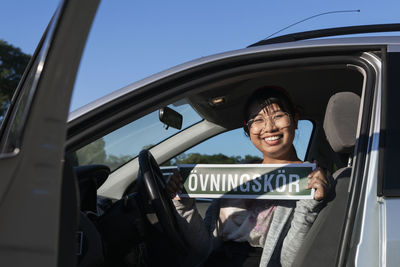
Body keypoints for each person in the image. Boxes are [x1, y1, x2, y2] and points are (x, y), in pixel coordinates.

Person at [166, 86, 330, 267]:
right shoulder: (235, 178)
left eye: (278, 116)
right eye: (258, 119)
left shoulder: (309, 181)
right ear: (248, 130)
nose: (269, 127)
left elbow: (290, 261)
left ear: (295, 119)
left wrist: (310, 204)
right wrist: (183, 204)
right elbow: (205, 247)